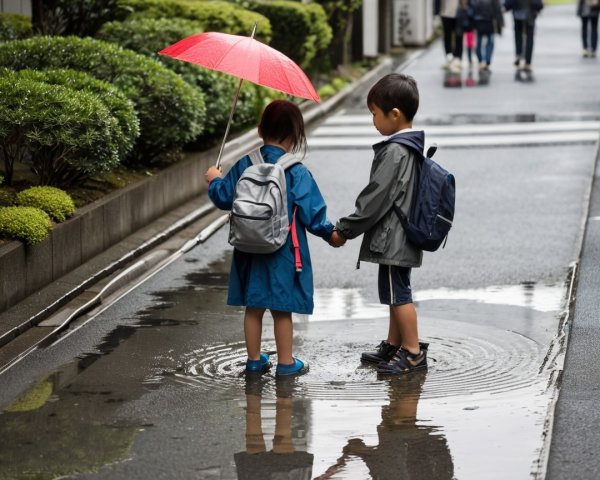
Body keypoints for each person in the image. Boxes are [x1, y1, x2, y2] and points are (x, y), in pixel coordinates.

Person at [205, 100, 337, 377]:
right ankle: (286, 363)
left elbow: (223, 197)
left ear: (259, 130)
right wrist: (331, 234)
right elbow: (313, 214)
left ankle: (254, 361)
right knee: (281, 309)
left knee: (253, 308)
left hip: (248, 246)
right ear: (295, 135)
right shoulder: (296, 171)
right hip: (283, 250)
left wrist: (214, 179)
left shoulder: (245, 163)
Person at [330, 73, 428, 376]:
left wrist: (344, 229)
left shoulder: (395, 151)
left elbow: (375, 198)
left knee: (399, 296)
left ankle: (412, 352)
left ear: (394, 115)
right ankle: (394, 343)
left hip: (394, 236)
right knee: (394, 291)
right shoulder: (409, 147)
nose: (373, 121)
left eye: (375, 114)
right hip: (402, 234)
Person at [505, 0, 544, 76]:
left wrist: (507, 7)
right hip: (530, 13)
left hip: (517, 12)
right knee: (529, 38)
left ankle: (518, 54)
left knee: (518, 35)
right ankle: (528, 61)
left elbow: (508, 3)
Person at [472, 0, 504, 71]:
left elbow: (472, 7)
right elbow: (497, 9)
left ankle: (482, 60)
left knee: (479, 43)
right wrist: (500, 23)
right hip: (488, 21)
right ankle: (486, 60)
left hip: (480, 21)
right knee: (489, 42)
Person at [437, 0, 466, 72]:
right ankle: (449, 56)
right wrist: (437, 11)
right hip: (446, 13)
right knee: (447, 36)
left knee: (459, 36)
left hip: (458, 14)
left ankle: (458, 57)